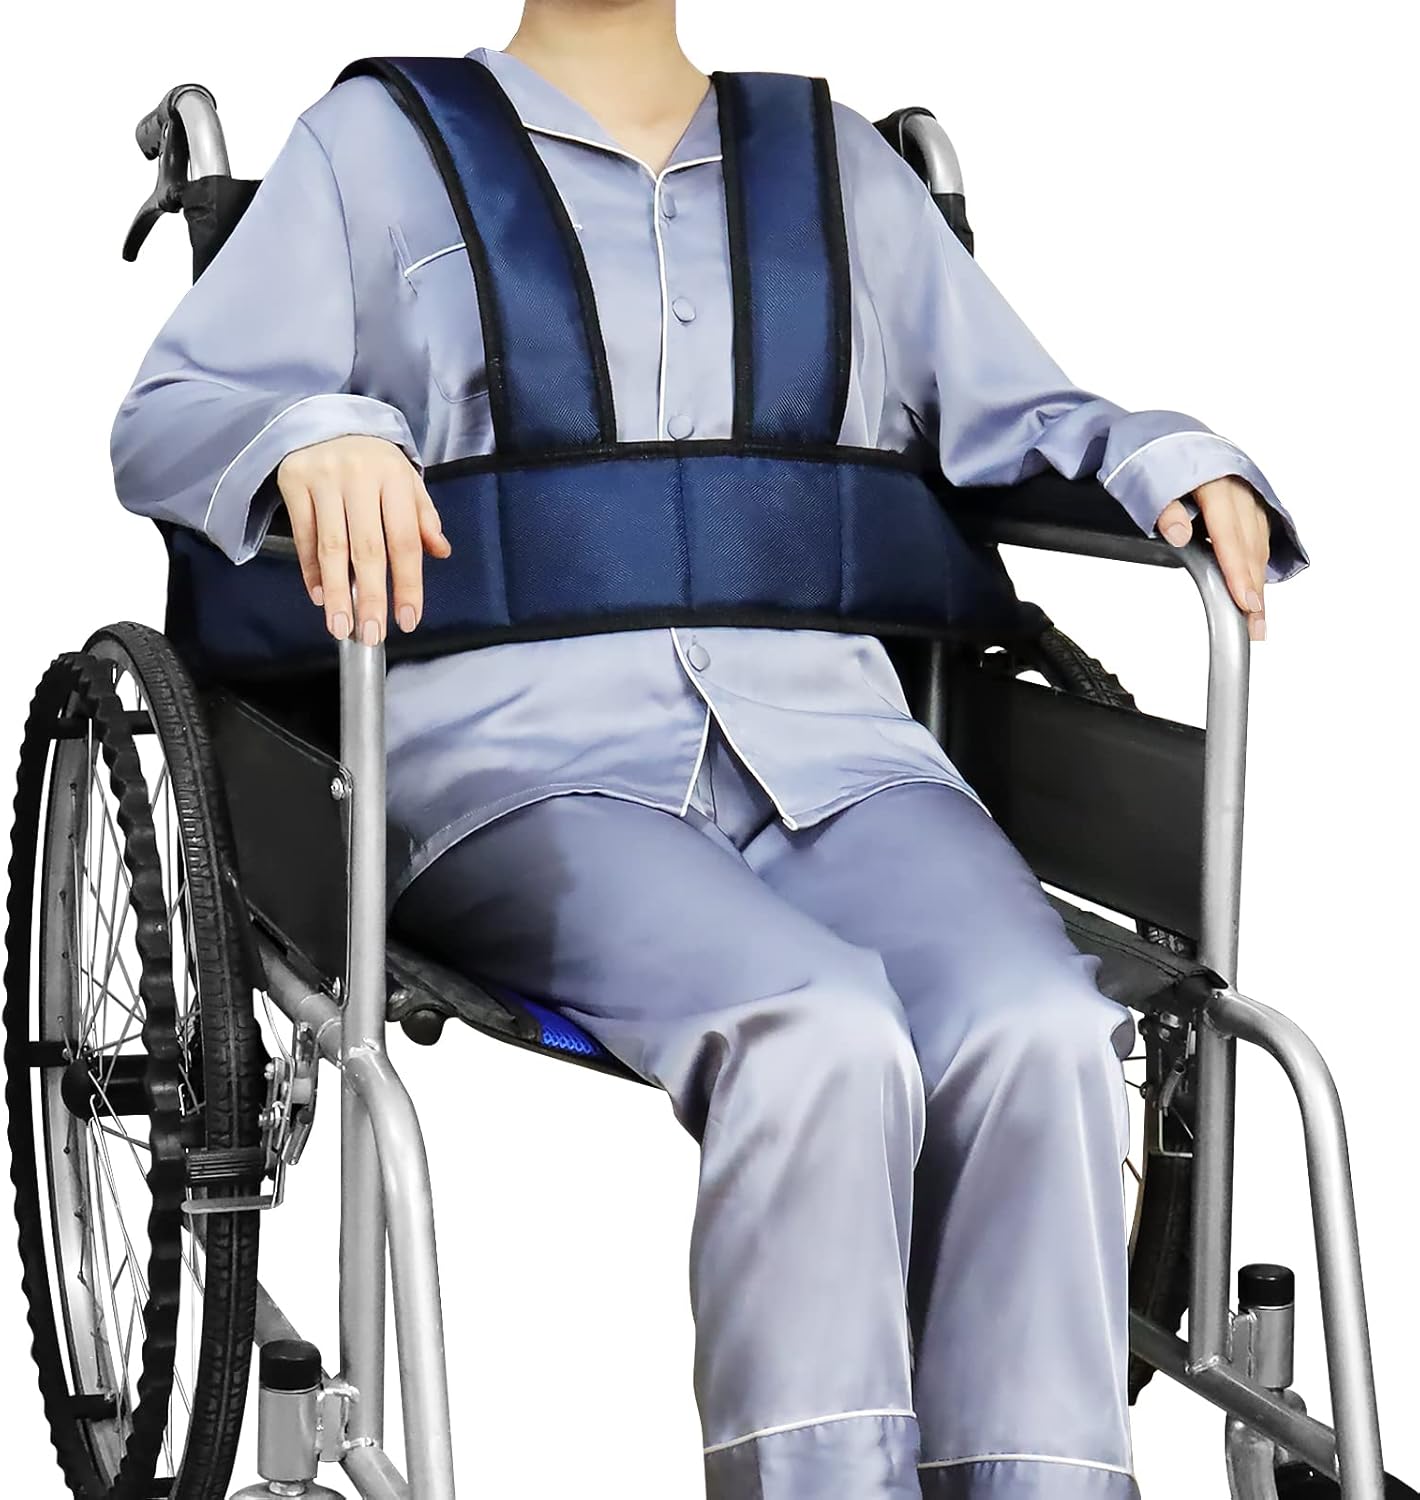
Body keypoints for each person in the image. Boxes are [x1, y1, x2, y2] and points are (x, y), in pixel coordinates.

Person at [109, 3, 1309, 1496]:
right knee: (815, 1034)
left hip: (838, 749)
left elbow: (1029, 411)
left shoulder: (841, 170)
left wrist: (1165, 453)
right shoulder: (374, 150)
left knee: (1041, 1030)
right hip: (524, 767)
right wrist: (307, 430)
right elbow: (169, 416)